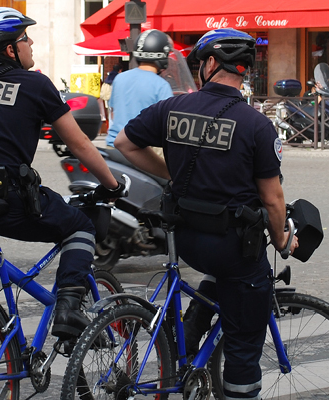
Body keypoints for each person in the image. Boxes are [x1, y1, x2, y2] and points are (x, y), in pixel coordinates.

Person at [114, 28, 297, 400]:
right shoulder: (256, 125)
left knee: (220, 273)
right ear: (241, 71)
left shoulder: (172, 108)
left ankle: (197, 318)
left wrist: (172, 174)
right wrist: (281, 240)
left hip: (184, 240)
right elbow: (274, 200)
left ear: (211, 65)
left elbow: (124, 143)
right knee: (245, 339)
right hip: (232, 246)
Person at [0, 7, 123, 339]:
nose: (31, 42)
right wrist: (112, 183)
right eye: (25, 38)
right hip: (5, 198)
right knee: (80, 225)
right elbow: (79, 143)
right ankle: (67, 309)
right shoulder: (35, 84)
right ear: (10, 49)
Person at [105, 29, 174, 147]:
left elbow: (113, 113)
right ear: (163, 54)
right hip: (141, 151)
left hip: (113, 146)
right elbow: (168, 124)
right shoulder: (161, 86)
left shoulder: (119, 78)